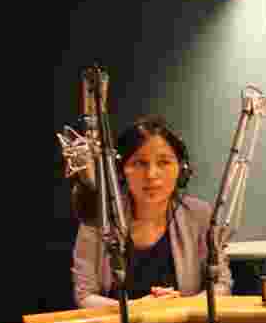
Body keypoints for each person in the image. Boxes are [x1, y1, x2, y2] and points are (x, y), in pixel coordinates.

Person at [72, 116, 232, 309]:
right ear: (121, 171)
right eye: (139, 163)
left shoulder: (199, 215)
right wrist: (135, 309)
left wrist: (181, 305)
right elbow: (84, 296)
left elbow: (221, 285)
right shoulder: (99, 217)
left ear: (182, 169)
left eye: (164, 162)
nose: (151, 175)